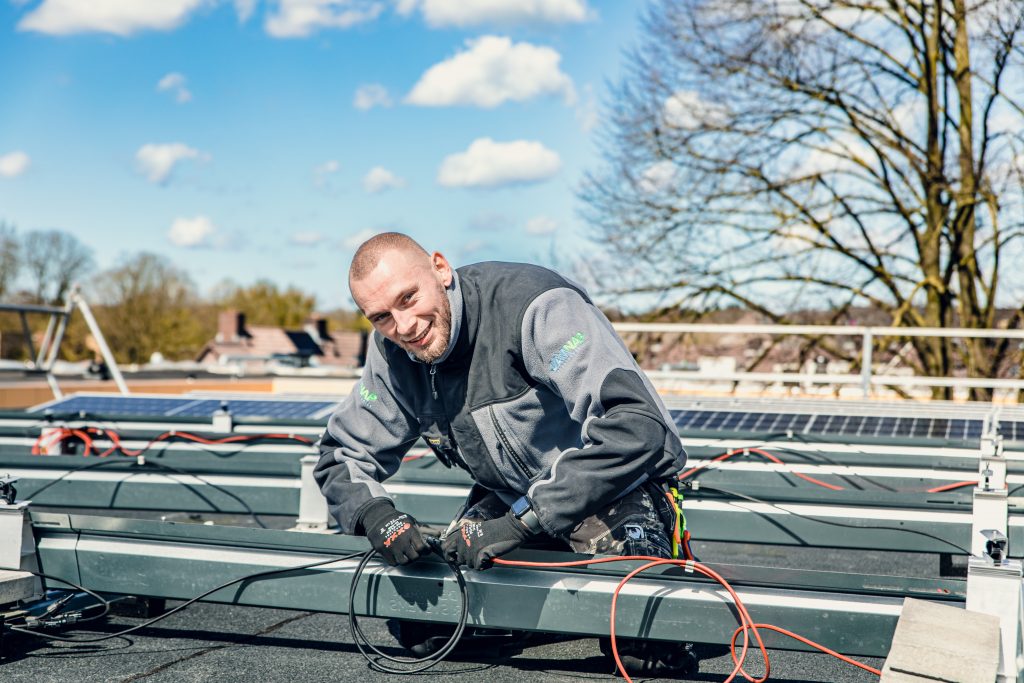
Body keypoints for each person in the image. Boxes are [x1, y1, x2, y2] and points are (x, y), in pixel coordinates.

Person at [314, 232, 694, 675]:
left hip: (607, 489)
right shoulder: (395, 354)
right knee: (427, 629)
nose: (405, 326)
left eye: (409, 298)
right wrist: (376, 516)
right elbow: (341, 453)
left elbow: (637, 425)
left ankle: (637, 562)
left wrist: (523, 521)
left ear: (440, 268)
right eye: (381, 317)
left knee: (646, 646)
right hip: (513, 498)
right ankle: (558, 610)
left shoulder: (535, 305)